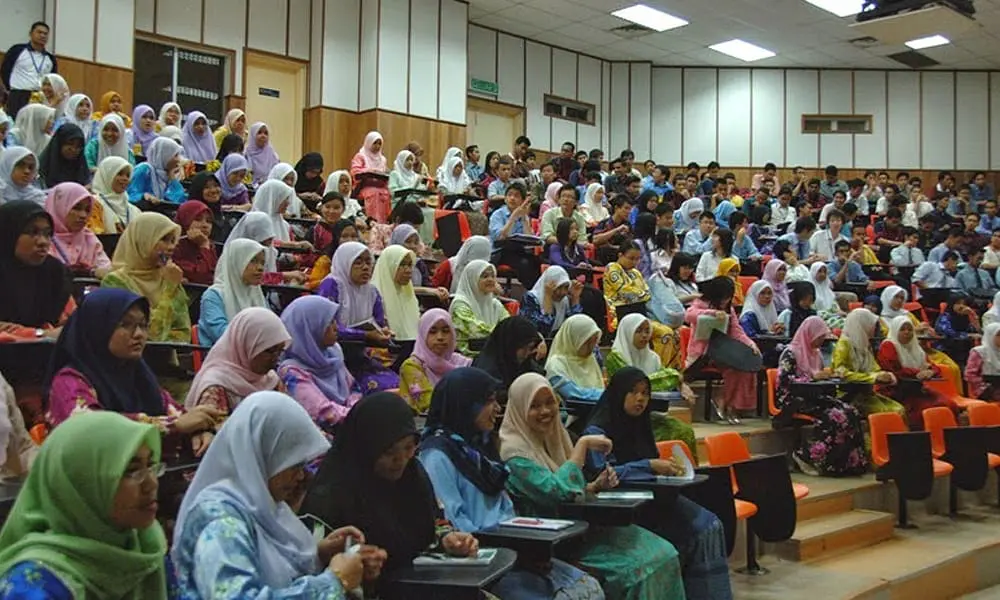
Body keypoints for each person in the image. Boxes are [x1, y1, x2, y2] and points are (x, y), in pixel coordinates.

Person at [418, 367, 607, 600]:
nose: (497, 408)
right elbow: (452, 521)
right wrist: (505, 548)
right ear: (465, 405)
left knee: (590, 588)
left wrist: (526, 548)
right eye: (488, 401)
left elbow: (505, 510)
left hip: (512, 551)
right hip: (478, 562)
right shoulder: (437, 456)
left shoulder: (478, 447)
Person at [500, 372, 687, 600]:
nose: (546, 411)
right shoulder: (514, 454)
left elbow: (572, 491)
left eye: (550, 402)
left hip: (581, 526)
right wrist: (582, 446)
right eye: (535, 406)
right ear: (519, 409)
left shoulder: (553, 437)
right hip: (552, 543)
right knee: (639, 570)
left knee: (665, 552)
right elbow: (557, 492)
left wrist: (594, 486)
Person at [172, 391, 363, 598]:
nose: (300, 476)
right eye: (292, 465)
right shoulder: (219, 520)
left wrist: (320, 555)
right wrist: (333, 582)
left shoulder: (261, 502)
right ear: (264, 455)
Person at [304, 392, 486, 596]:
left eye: (409, 448)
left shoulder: (412, 475)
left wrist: (447, 540)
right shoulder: (332, 495)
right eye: (389, 452)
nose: (400, 460)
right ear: (367, 448)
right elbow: (319, 574)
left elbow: (431, 523)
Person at [581, 367, 731, 600]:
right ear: (619, 393)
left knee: (710, 525)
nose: (640, 399)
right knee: (696, 533)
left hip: (653, 497)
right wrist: (649, 466)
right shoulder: (597, 431)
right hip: (622, 507)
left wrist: (667, 470)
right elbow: (605, 474)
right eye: (633, 392)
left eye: (645, 393)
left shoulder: (640, 424)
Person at [0, 411, 172, 599]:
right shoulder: (35, 584)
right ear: (81, 485)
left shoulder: (147, 546)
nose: (151, 484)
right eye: (132, 471)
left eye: (151, 465)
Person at [775, 316, 868, 476]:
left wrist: (829, 375)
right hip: (794, 399)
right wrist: (813, 378)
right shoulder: (791, 352)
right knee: (836, 417)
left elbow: (819, 375)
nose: (821, 341)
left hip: (814, 396)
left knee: (851, 412)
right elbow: (785, 381)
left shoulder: (816, 354)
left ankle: (848, 463)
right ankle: (810, 456)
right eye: (819, 337)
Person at [316, 241, 400, 393]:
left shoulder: (372, 292)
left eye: (369, 262)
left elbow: (378, 324)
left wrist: (384, 333)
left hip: (358, 356)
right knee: (373, 388)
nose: (366, 267)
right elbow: (325, 326)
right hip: (330, 355)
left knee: (397, 384)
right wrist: (366, 335)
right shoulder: (332, 285)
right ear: (345, 262)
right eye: (358, 262)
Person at [605, 314, 693, 449]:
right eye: (639, 331)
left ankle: (687, 469)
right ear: (628, 331)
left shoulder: (653, 357)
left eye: (647, 331)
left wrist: (680, 383)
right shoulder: (615, 357)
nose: (644, 335)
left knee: (684, 431)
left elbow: (663, 378)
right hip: (622, 417)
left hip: (648, 413)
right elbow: (637, 383)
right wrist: (675, 377)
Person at [101, 212, 191, 342]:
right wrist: (169, 291)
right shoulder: (115, 281)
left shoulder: (169, 278)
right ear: (143, 240)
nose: (171, 247)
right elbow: (150, 336)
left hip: (166, 360)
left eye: (173, 241)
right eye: (164, 239)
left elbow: (184, 334)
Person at [684, 276, 761, 423]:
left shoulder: (729, 309)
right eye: (723, 297)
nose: (726, 301)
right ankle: (723, 401)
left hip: (722, 351)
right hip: (703, 354)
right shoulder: (701, 304)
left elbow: (737, 332)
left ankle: (731, 404)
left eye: (728, 298)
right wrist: (712, 313)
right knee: (732, 370)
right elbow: (689, 315)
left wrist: (750, 344)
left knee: (743, 368)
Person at [185, 307, 290, 414]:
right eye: (269, 351)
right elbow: (212, 427)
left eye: (280, 351)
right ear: (246, 346)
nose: (275, 359)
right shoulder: (216, 386)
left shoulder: (271, 380)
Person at [278, 295, 362, 428]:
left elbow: (354, 389)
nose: (336, 327)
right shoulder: (292, 371)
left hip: (352, 422)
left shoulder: (333, 353)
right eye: (329, 322)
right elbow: (323, 414)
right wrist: (360, 416)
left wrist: (356, 408)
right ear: (309, 327)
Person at [0, 200, 74, 339]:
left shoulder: (54, 271)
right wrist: (40, 334)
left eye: (47, 234)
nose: (43, 242)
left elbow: (74, 323)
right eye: (32, 232)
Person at [877, 315, 958, 429]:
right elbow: (895, 370)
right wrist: (918, 372)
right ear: (895, 330)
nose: (907, 332)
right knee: (927, 410)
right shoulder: (888, 345)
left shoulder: (916, 347)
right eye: (902, 329)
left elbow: (932, 366)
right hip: (897, 391)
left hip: (917, 389)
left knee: (950, 405)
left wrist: (930, 372)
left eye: (910, 329)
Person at [831, 309, 907, 420]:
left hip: (866, 393)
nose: (873, 329)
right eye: (870, 325)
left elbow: (874, 368)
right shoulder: (844, 344)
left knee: (900, 409)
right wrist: (873, 377)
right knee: (891, 413)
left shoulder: (864, 344)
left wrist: (884, 375)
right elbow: (840, 373)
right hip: (849, 395)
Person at [398, 308, 472, 413]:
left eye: (446, 331)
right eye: (432, 332)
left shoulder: (460, 361)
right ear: (422, 335)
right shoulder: (412, 366)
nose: (440, 337)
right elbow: (430, 404)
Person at [197, 238, 266, 345]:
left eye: (262, 263)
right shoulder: (213, 295)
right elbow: (220, 334)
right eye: (253, 261)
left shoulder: (256, 294)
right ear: (236, 261)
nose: (260, 268)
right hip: (220, 357)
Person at [44, 182, 111, 278]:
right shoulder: (42, 238)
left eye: (87, 210)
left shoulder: (88, 238)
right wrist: (90, 272)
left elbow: (106, 270)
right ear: (58, 206)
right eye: (76, 208)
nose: (83, 215)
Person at [449, 258, 509, 348]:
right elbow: (477, 331)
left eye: (493, 276)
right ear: (472, 279)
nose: (490, 280)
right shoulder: (460, 304)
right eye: (484, 276)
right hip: (467, 356)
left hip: (492, 350)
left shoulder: (495, 304)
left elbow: (509, 325)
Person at [544, 314, 605, 403]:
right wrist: (607, 395)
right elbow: (573, 395)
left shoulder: (590, 359)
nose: (592, 347)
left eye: (595, 340)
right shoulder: (556, 364)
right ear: (573, 339)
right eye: (587, 342)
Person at [471, 316, 545, 387]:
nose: (527, 353)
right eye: (523, 348)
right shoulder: (487, 373)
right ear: (511, 345)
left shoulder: (521, 362)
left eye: (530, 348)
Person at [1, 22, 56, 117]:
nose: (43, 35)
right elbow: (5, 70)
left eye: (45, 34)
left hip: (40, 97)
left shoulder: (50, 59)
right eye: (39, 32)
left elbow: (52, 80)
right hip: (18, 95)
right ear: (31, 33)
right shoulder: (17, 50)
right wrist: (9, 90)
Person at [371, 244, 420, 347]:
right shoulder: (373, 296)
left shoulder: (408, 294)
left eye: (410, 265)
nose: (408, 270)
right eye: (402, 264)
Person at [520, 265, 585, 338]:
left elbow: (574, 328)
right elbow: (542, 329)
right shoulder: (531, 298)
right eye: (558, 287)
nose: (562, 292)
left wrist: (575, 298)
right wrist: (548, 298)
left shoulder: (565, 300)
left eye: (566, 287)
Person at [127, 137, 186, 206]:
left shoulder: (166, 174)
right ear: (164, 156)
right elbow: (130, 194)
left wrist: (172, 179)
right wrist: (143, 196)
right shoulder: (144, 169)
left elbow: (177, 200)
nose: (179, 159)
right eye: (175, 155)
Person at [171, 200, 218, 285]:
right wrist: (204, 246)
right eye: (198, 219)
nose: (205, 225)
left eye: (209, 221)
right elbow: (202, 278)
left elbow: (216, 277)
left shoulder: (209, 245)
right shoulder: (173, 246)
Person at [90, 156, 140, 234]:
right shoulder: (94, 204)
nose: (125, 178)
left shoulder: (134, 210)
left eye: (127, 175)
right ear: (107, 175)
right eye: (120, 174)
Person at [351, 131, 391, 222]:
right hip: (365, 187)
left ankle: (383, 224)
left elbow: (385, 172)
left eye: (379, 144)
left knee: (386, 194)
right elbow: (355, 171)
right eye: (375, 143)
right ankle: (372, 222)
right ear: (369, 142)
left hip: (381, 187)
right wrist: (369, 171)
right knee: (373, 193)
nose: (377, 146)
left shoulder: (383, 159)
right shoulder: (361, 156)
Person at [38, 123, 89, 187]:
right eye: (70, 144)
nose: (73, 149)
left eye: (78, 146)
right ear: (59, 143)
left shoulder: (81, 167)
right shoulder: (43, 167)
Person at [966, 322, 1000, 401]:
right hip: (985, 388)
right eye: (998, 335)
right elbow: (969, 375)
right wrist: (984, 388)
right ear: (990, 336)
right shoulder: (979, 352)